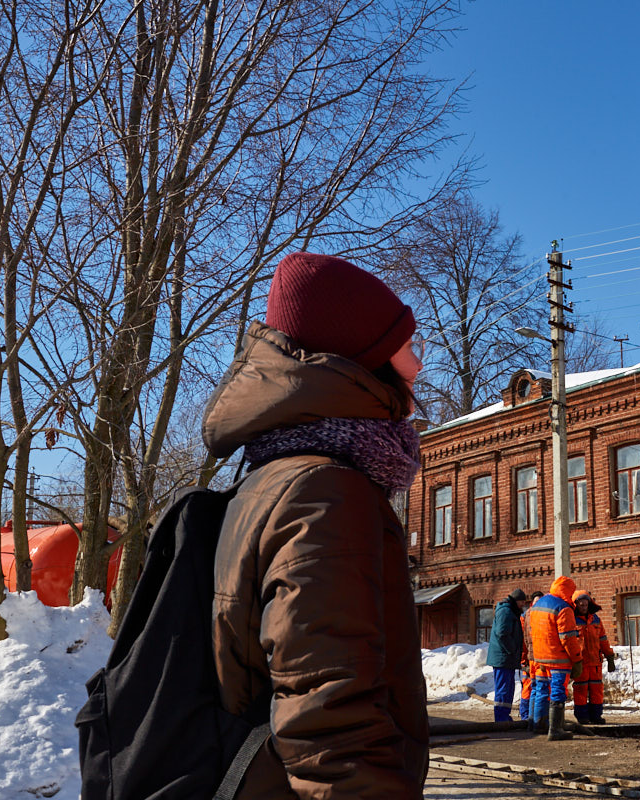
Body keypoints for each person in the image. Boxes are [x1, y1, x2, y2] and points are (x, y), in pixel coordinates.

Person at [205, 252, 428, 798]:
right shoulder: (326, 492)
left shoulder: (273, 475)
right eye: (407, 346)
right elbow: (329, 720)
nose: (418, 367)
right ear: (362, 359)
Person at [527, 576, 583, 741]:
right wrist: (577, 659)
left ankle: (539, 724)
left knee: (542, 691)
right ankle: (555, 730)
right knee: (558, 692)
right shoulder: (563, 608)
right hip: (558, 659)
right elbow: (568, 638)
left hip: (540, 658)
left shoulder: (538, 604)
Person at [571, 590, 615, 724]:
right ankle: (582, 717)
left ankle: (596, 716)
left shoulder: (596, 620)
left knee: (597, 690)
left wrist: (609, 656)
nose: (584, 607)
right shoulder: (571, 620)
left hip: (595, 663)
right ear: (576, 605)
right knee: (580, 690)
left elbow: (603, 640)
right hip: (580, 663)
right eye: (581, 605)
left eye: (585, 604)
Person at [487, 588, 528, 722]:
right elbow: (502, 634)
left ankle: (504, 716)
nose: (523, 605)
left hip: (506, 658)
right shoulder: (506, 611)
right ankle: (501, 718)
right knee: (503, 689)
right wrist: (512, 650)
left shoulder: (510, 611)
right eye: (522, 602)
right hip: (503, 658)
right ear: (516, 601)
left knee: (508, 688)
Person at [519, 590, 544, 722]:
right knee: (528, 686)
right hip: (529, 659)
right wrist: (524, 660)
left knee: (538, 687)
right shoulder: (525, 618)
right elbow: (523, 641)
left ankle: (534, 717)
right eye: (536, 602)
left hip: (540, 658)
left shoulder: (543, 617)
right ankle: (525, 716)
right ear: (531, 603)